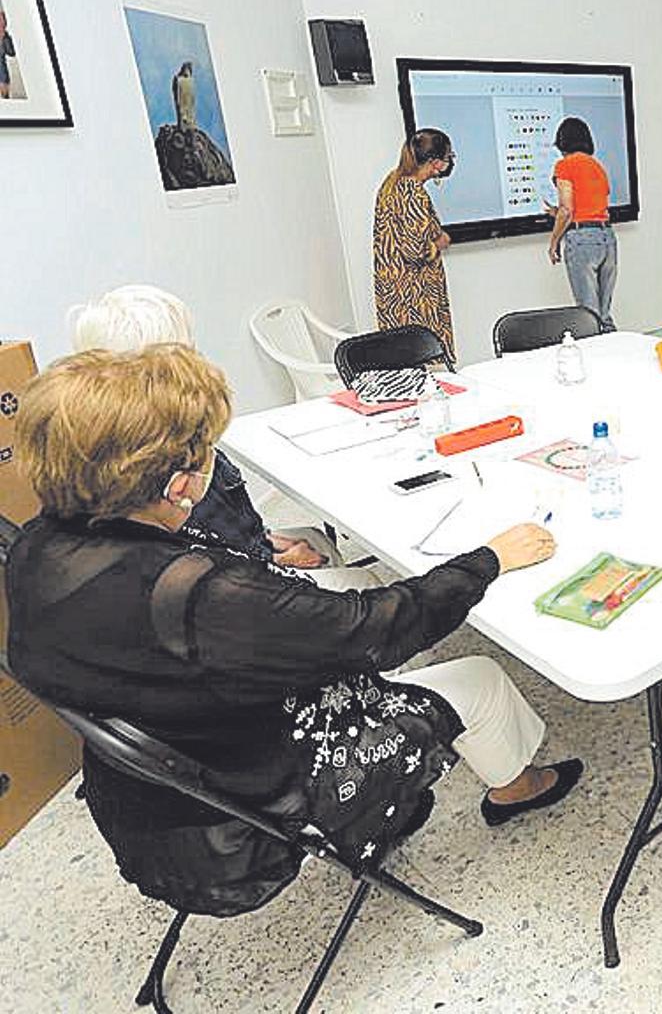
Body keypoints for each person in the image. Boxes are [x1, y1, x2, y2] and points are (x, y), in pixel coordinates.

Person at [6, 346, 583, 915]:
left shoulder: (37, 548)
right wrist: (490, 558)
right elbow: (379, 630)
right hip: (236, 822)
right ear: (178, 484)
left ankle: (397, 806)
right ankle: (517, 786)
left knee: (342, 583)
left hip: (147, 797)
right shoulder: (203, 599)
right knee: (478, 676)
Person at [68, 284, 361, 585]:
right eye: (189, 352)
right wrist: (275, 561)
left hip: (240, 560)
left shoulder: (108, 446)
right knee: (368, 584)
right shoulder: (164, 473)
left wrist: (264, 542)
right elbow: (212, 568)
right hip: (234, 593)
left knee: (317, 540)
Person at [374, 128, 457, 363]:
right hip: (415, 294)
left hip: (393, 289)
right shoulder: (413, 194)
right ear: (435, 162)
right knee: (425, 361)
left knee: (402, 359)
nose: (450, 162)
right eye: (449, 156)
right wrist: (439, 242)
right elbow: (414, 250)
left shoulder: (392, 182)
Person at [546, 117, 618, 332]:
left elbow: (567, 210)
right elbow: (591, 205)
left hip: (582, 240)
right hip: (607, 238)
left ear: (562, 142)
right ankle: (612, 353)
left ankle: (594, 359)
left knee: (587, 314)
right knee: (603, 314)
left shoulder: (564, 165)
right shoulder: (598, 167)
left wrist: (553, 243)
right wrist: (557, 213)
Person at [0, 6, 15, 99]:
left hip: (2, 76)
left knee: (5, 98)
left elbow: (11, 53)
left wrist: (4, 37)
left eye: (2, 21)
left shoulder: (6, 38)